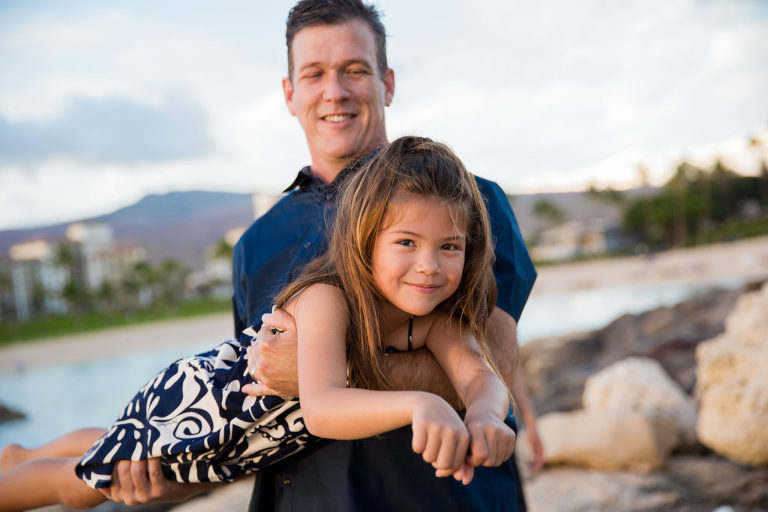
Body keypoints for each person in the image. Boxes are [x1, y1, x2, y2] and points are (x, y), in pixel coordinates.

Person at [96, 0, 537, 510]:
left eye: (355, 70)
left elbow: (494, 364)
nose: (335, 91)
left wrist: (326, 374)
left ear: (387, 83)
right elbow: (257, 406)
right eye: (314, 74)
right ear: (290, 93)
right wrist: (178, 479)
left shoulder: (469, 204)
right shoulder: (255, 243)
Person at [0, 136, 517, 512]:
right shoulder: (325, 296)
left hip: (248, 442)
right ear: (365, 240)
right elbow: (323, 408)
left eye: (449, 247)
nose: (429, 265)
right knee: (85, 485)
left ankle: (28, 449)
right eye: (407, 242)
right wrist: (421, 401)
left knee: (111, 442)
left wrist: (487, 418)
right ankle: (23, 466)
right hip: (205, 407)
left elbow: (481, 375)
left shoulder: (437, 319)